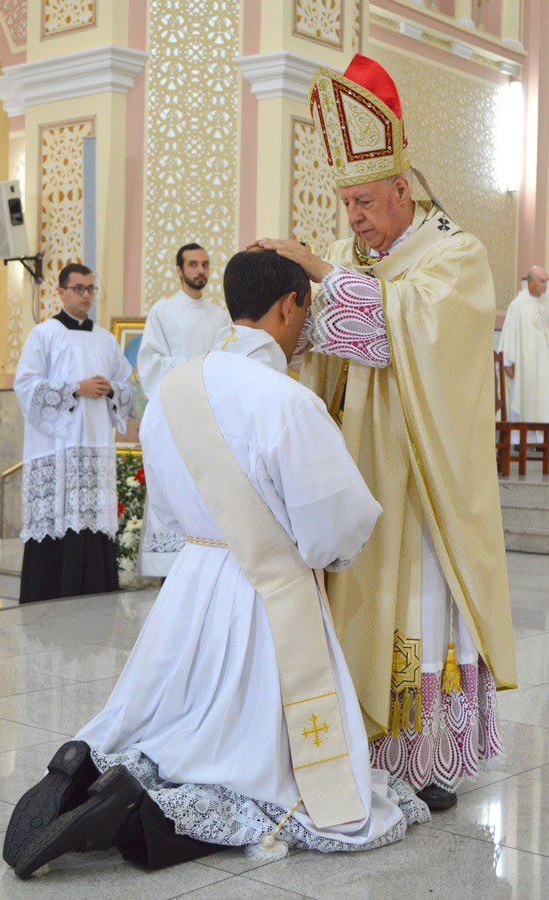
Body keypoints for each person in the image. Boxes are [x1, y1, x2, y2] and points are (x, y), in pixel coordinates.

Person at [3, 249, 429, 880]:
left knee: (172, 712)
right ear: (290, 306)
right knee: (252, 762)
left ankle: (92, 766)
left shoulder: (173, 391)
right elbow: (333, 527)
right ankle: (148, 815)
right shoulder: (287, 402)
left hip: (191, 583)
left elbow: (167, 509)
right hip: (266, 593)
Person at [256, 53, 517, 811]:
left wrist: (321, 276)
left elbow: (410, 336)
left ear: (403, 189)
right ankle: (360, 747)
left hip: (424, 479)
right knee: (360, 606)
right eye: (346, 204)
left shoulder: (456, 254)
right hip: (357, 470)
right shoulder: (345, 258)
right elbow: (324, 344)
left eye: (366, 201)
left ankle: (423, 759)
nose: (354, 219)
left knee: (419, 608)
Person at [14, 263, 135, 603]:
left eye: (90, 288)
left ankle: (94, 597)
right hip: (59, 446)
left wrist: (112, 389)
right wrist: (75, 388)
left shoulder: (106, 340)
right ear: (61, 292)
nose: (85, 295)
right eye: (78, 288)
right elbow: (26, 385)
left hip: (95, 444)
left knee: (92, 523)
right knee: (58, 522)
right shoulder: (44, 334)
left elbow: (128, 387)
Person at [137, 243, 230, 577]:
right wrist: (198, 366)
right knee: (174, 484)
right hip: (174, 414)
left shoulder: (220, 316)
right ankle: (169, 569)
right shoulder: (163, 311)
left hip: (209, 416)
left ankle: (206, 563)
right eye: (192, 264)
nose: (200, 270)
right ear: (179, 270)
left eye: (204, 264)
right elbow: (150, 362)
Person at [498, 265, 549, 442]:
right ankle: (520, 440)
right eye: (542, 281)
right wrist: (508, 362)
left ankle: (542, 441)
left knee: (543, 400)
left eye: (546, 281)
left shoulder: (546, 304)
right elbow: (510, 333)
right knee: (524, 398)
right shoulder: (518, 305)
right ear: (531, 283)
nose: (545, 285)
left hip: (543, 366)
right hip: (524, 367)